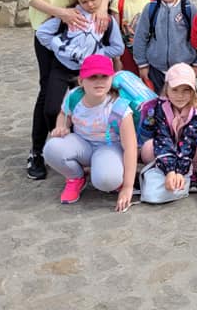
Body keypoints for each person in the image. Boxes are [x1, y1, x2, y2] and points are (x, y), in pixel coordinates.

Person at [23, 0, 110, 180]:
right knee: (49, 93)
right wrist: (63, 13)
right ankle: (38, 151)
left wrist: (102, 10)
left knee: (87, 88)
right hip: (53, 33)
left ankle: (81, 144)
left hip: (88, 33)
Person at [35, 0, 124, 150]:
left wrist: (96, 54)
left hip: (90, 72)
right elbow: (41, 34)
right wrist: (61, 48)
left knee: (84, 109)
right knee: (51, 108)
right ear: (77, 0)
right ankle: (59, 140)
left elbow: (118, 47)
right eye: (84, 1)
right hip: (62, 67)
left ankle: (79, 143)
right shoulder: (69, 15)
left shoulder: (107, 20)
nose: (90, 4)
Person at [43, 54, 136, 212]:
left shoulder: (119, 107)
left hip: (109, 147)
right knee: (51, 148)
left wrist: (128, 187)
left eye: (104, 76)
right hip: (82, 145)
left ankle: (105, 171)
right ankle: (76, 177)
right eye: (92, 77)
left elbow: (131, 148)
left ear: (111, 79)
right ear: (81, 81)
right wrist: (61, 127)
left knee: (107, 181)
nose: (99, 82)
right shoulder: (74, 96)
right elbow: (64, 114)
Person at [136, 63, 197, 203]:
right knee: (148, 146)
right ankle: (161, 170)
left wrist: (180, 171)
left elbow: (189, 141)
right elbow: (163, 138)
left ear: (193, 91)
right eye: (175, 90)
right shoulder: (158, 108)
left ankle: (193, 172)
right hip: (163, 149)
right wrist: (170, 170)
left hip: (187, 153)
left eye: (186, 90)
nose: (180, 96)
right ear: (166, 88)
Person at [133, 0, 197, 92]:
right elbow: (140, 37)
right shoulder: (150, 8)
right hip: (156, 69)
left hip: (183, 69)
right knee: (159, 101)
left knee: (182, 99)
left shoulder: (188, 8)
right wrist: (142, 64)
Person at [111, 0, 155, 75]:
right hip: (127, 57)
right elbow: (114, 35)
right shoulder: (118, 3)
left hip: (150, 55)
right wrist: (116, 60)